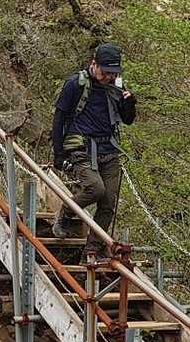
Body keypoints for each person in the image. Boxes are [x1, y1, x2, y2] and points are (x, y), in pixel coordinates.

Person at [50, 42, 137, 236]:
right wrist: (59, 154)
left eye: (113, 73)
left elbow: (127, 119)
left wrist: (130, 104)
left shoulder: (116, 87)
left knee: (108, 203)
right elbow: (59, 118)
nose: (108, 77)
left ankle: (94, 248)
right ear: (94, 64)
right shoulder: (75, 84)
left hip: (109, 149)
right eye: (105, 72)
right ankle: (65, 214)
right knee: (95, 189)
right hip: (82, 147)